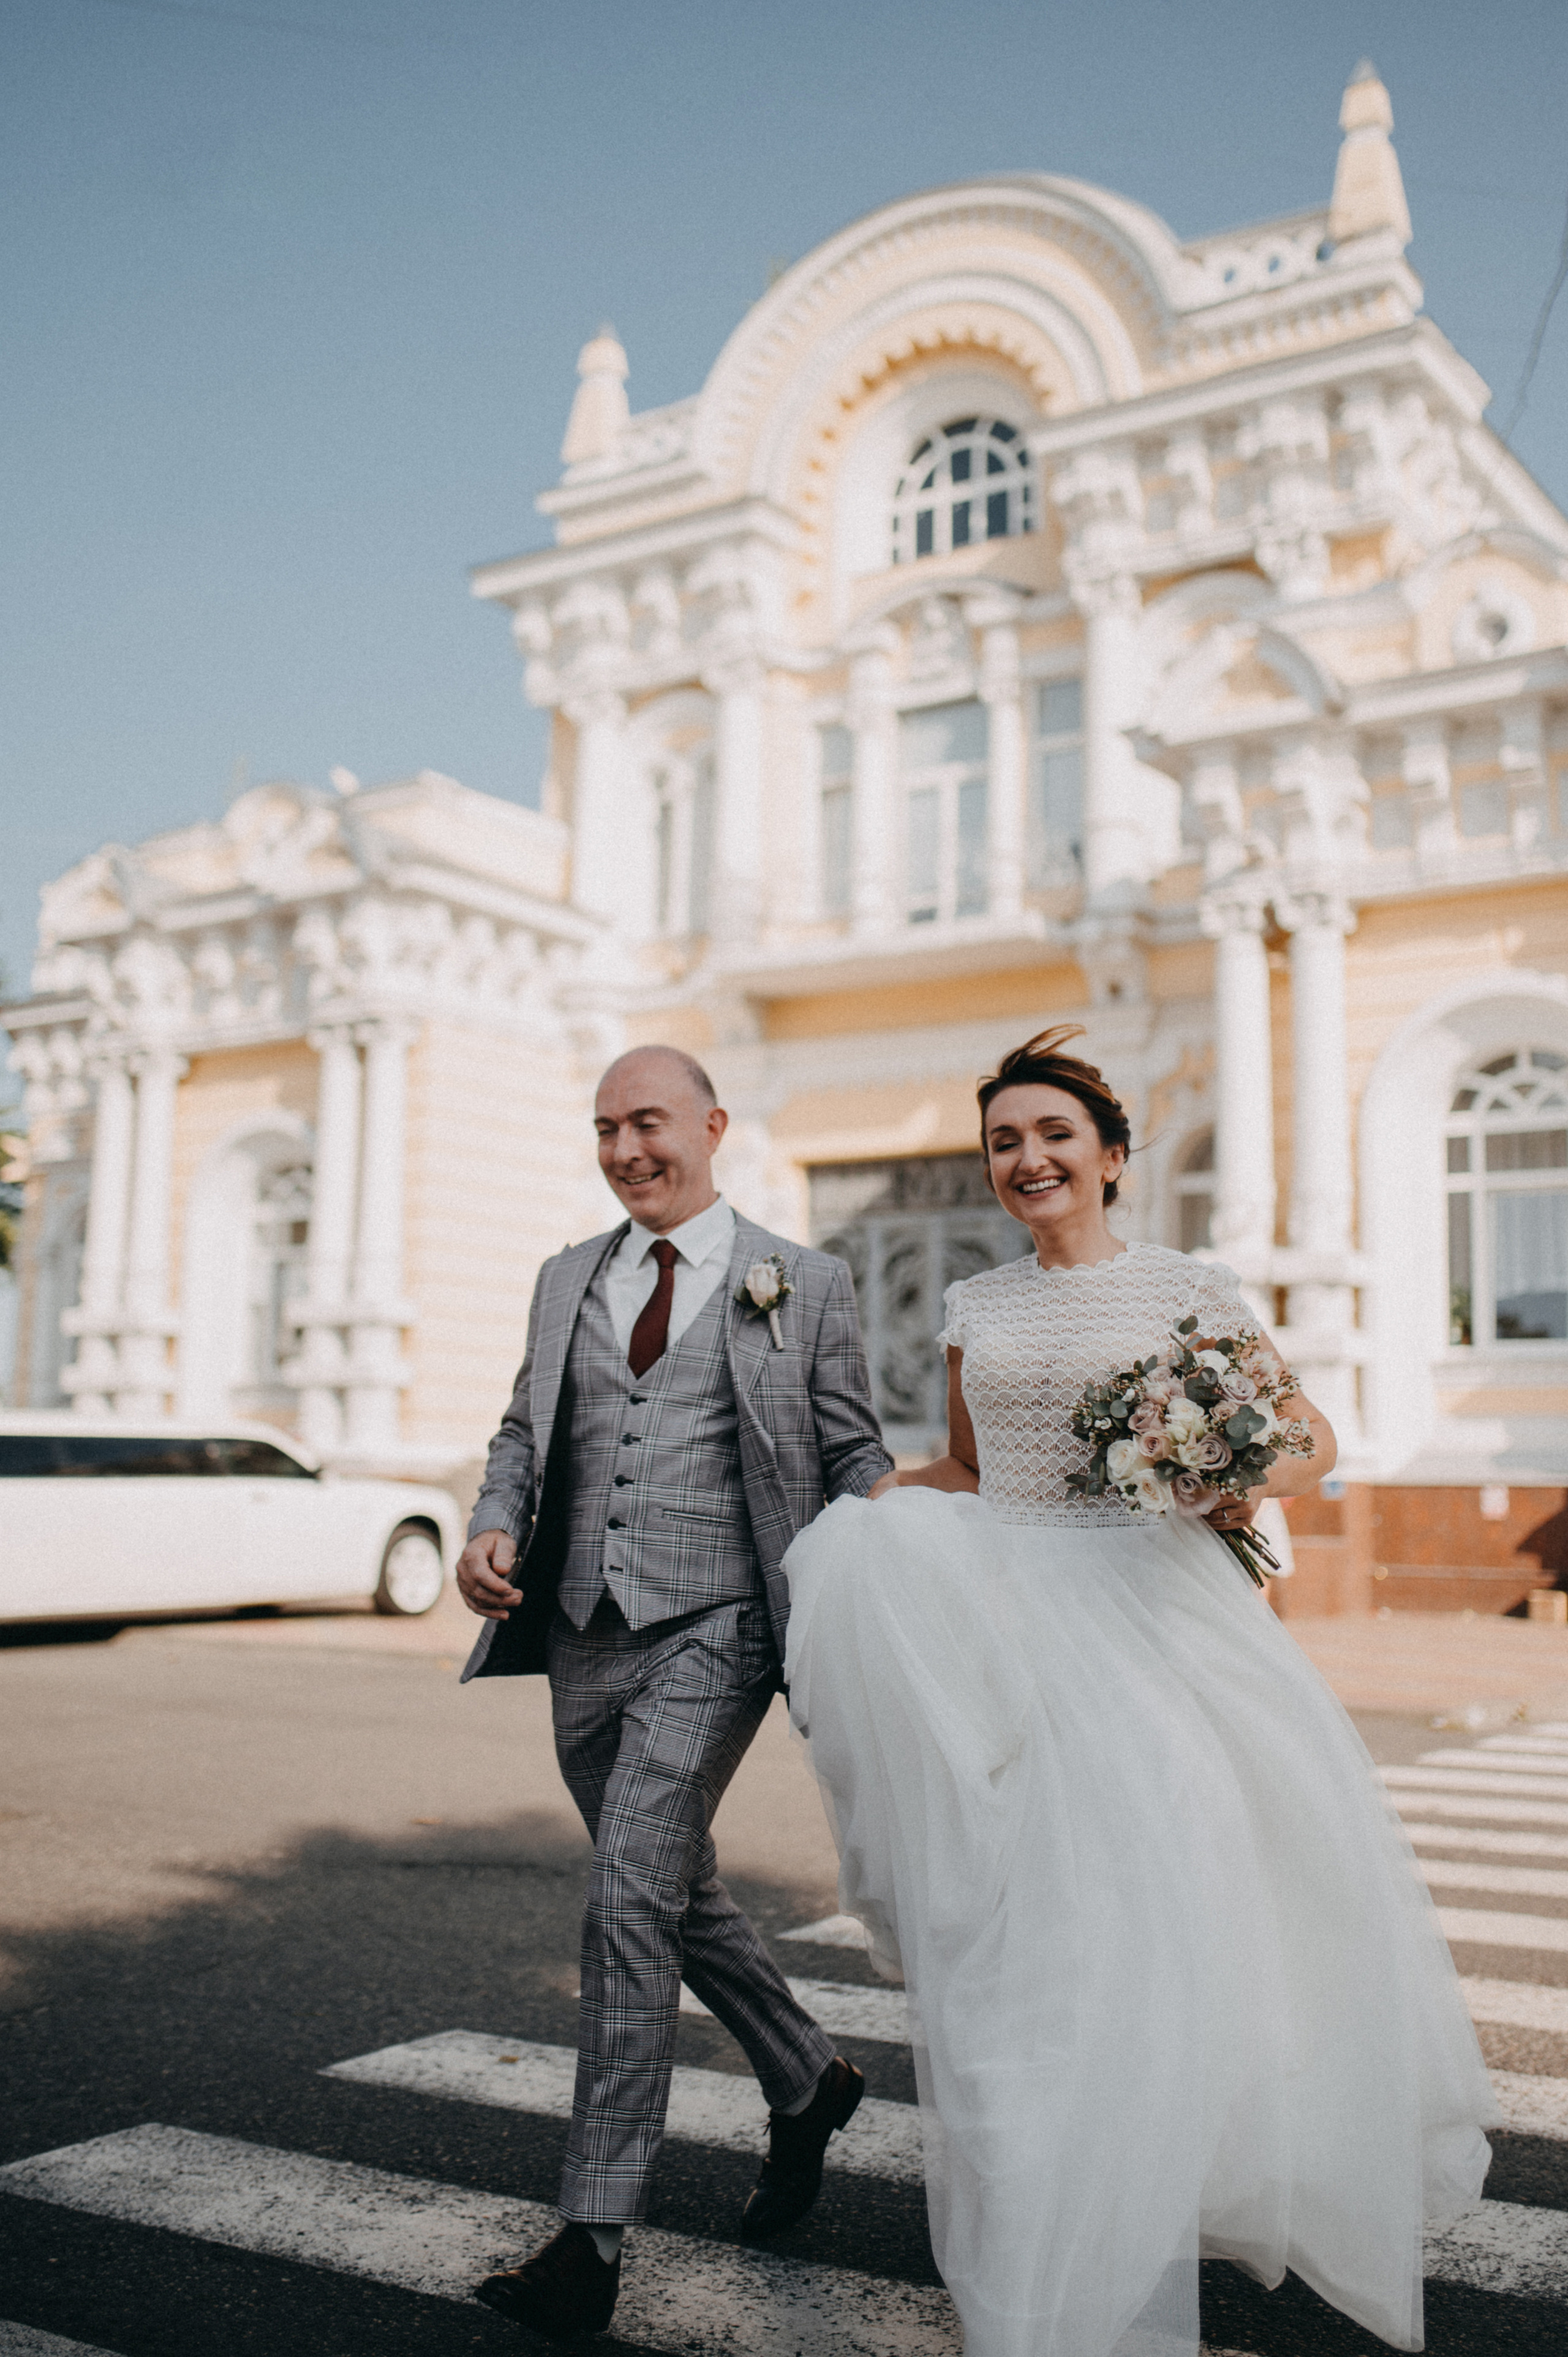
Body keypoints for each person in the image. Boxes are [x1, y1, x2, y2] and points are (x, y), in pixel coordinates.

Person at [782, 1028, 1496, 2357]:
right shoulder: (978, 1310)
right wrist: (877, 1504)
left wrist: (1237, 1474)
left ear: (1109, 1157)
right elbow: (973, 1470)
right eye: (1002, 1141)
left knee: (1164, 1913)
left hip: (1158, 1624)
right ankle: (1056, 2210)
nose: (1026, 1158)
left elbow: (1308, 1436)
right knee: (1021, 1947)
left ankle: (1170, 2164)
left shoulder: (1191, 1287)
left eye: (1052, 1135)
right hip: (1009, 1623)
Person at [456, 1045, 891, 2339]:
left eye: (646, 1122)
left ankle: (591, 2237)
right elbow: (525, 1432)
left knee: (623, 1892)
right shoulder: (562, 1278)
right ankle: (806, 2078)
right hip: (581, 1625)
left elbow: (851, 1443)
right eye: (604, 1129)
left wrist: (903, 1551)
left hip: (721, 1624)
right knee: (668, 1884)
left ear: (710, 1125)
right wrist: (490, 1525)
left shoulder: (801, 1281)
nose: (624, 1149)